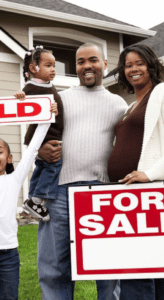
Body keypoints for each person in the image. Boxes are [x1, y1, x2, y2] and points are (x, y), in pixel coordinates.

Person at [35, 43, 128, 300]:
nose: (87, 66)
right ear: (76, 67)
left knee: (108, 266)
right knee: (55, 267)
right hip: (59, 191)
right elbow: (39, 134)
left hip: (101, 192)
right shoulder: (61, 99)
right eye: (80, 62)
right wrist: (40, 150)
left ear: (105, 65)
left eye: (93, 60)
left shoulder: (118, 104)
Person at [108, 44, 164, 300]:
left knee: (146, 265)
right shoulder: (129, 107)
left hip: (154, 195)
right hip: (129, 198)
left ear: (151, 66)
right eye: (128, 65)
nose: (133, 69)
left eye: (139, 63)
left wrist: (150, 173)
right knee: (153, 265)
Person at [0, 104, 57, 300]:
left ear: (9, 158)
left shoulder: (13, 179)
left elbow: (33, 150)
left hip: (7, 255)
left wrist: (46, 118)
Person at [14, 46, 63, 222]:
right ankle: (37, 200)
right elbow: (21, 102)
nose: (53, 69)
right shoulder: (32, 86)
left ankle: (30, 199)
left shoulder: (48, 85)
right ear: (34, 68)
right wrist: (21, 95)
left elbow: (49, 107)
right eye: (48, 65)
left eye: (54, 65)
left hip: (49, 133)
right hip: (46, 136)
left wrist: (53, 109)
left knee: (41, 168)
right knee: (53, 166)